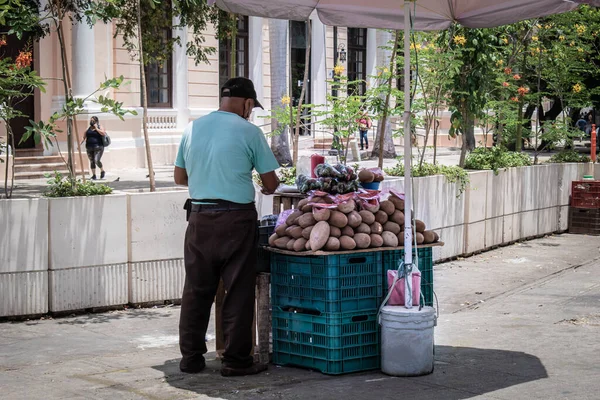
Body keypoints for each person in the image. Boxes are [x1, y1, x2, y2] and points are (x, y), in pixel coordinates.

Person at [173, 77, 280, 377]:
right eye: (252, 107)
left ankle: (191, 359)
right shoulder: (249, 131)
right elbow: (271, 183)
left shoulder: (193, 128)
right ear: (247, 104)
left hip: (199, 219)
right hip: (236, 220)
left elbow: (180, 178)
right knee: (238, 290)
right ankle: (235, 361)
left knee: (196, 290)